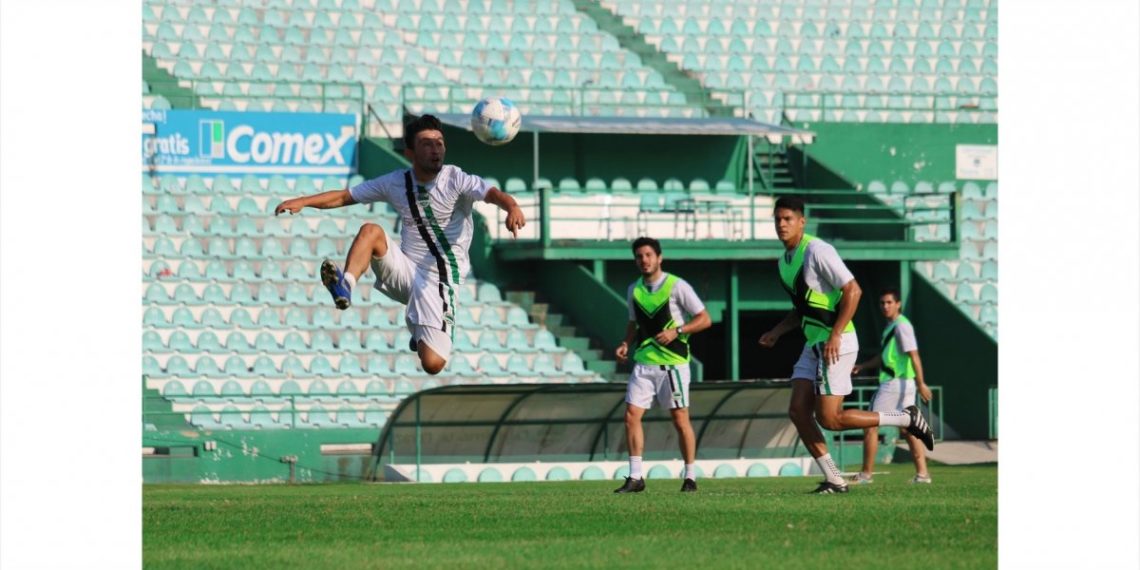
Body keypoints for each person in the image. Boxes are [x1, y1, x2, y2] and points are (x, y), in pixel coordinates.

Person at [274, 114, 526, 375]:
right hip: (405, 269)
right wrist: (303, 201)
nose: (435, 149)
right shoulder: (396, 182)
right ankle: (345, 285)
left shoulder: (455, 179)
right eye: (427, 144)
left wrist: (512, 206)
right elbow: (345, 196)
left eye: (439, 143)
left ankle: (420, 333)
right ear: (410, 152)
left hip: (438, 280)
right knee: (371, 231)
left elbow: (491, 193)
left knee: (433, 364)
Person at [757, 196, 933, 494]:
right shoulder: (783, 262)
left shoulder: (817, 250)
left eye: (788, 218)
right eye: (777, 219)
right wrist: (777, 331)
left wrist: (836, 333)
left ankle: (906, 417)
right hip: (814, 344)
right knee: (799, 411)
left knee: (831, 418)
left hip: (836, 342)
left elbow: (853, 290)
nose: (781, 224)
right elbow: (803, 307)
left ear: (802, 221)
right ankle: (835, 479)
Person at [613, 237, 711, 494]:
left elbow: (704, 319)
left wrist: (677, 330)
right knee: (631, 416)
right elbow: (633, 322)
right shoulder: (633, 289)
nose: (643, 260)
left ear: (659, 258)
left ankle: (690, 476)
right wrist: (625, 342)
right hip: (643, 364)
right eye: (638, 256)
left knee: (680, 420)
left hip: (673, 365)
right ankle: (636, 477)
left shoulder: (676, 286)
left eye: (648, 255)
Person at [851, 288, 934, 484]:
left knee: (870, 425)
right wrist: (863, 366)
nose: (885, 306)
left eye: (889, 302)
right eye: (882, 303)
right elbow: (884, 357)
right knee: (907, 429)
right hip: (902, 385)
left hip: (894, 384)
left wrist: (921, 383)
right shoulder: (891, 327)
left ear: (898, 304)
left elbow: (914, 355)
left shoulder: (901, 326)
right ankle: (923, 475)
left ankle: (866, 475)